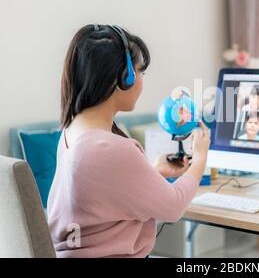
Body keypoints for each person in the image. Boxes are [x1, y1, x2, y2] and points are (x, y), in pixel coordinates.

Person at [47, 24, 210, 258]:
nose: (142, 80)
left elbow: (100, 198)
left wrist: (153, 172)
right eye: (140, 72)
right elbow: (173, 207)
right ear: (124, 78)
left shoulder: (71, 131)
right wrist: (200, 159)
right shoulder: (111, 148)